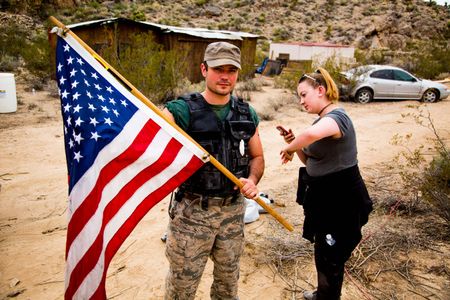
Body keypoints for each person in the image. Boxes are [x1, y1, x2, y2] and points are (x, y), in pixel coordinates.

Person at [162, 41, 265, 300]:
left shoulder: (246, 113)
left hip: (232, 212)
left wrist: (252, 180)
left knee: (227, 286)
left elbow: (258, 156)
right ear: (204, 69)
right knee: (181, 288)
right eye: (219, 69)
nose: (225, 76)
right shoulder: (181, 111)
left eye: (232, 70)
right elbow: (151, 144)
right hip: (193, 214)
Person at [278, 68, 373, 300]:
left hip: (340, 201)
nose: (301, 101)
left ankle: (328, 296)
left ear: (320, 91)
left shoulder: (337, 118)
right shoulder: (320, 121)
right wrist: (292, 142)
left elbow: (309, 136)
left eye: (303, 95)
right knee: (323, 252)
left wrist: (289, 147)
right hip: (324, 200)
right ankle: (324, 294)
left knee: (331, 256)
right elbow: (310, 159)